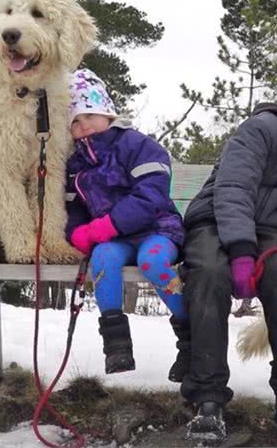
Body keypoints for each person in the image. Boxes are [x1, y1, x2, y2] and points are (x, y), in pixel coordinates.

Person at [179, 57, 277, 448]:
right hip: (216, 219)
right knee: (210, 274)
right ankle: (208, 397)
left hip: (268, 228)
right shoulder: (260, 128)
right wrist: (242, 250)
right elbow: (233, 188)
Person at [65, 69, 190, 380]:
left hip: (157, 229)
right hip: (114, 240)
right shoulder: (75, 163)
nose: (83, 126)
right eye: (74, 122)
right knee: (102, 260)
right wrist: (76, 231)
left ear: (107, 111)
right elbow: (74, 206)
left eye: (89, 115)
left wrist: (106, 226)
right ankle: (116, 344)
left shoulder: (137, 145)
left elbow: (151, 195)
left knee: (153, 262)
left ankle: (192, 341)